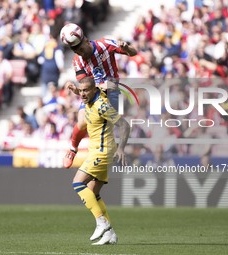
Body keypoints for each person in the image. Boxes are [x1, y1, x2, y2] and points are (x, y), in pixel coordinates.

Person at [60, 23, 137, 168]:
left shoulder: (105, 44)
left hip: (112, 92)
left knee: (108, 125)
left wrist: (126, 48)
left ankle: (108, 155)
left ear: (86, 40)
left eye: (81, 49)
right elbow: (85, 84)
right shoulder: (77, 61)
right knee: (82, 122)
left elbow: (134, 53)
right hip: (93, 91)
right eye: (77, 51)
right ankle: (72, 149)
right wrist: (81, 90)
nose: (81, 53)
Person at [72, 76, 130, 245]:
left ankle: (102, 222)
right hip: (98, 150)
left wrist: (121, 148)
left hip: (102, 152)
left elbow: (125, 125)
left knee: (78, 183)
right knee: (94, 192)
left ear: (94, 90)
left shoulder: (102, 105)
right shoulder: (89, 98)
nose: (82, 94)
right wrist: (77, 91)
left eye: (85, 91)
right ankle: (110, 234)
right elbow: (86, 91)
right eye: (80, 91)